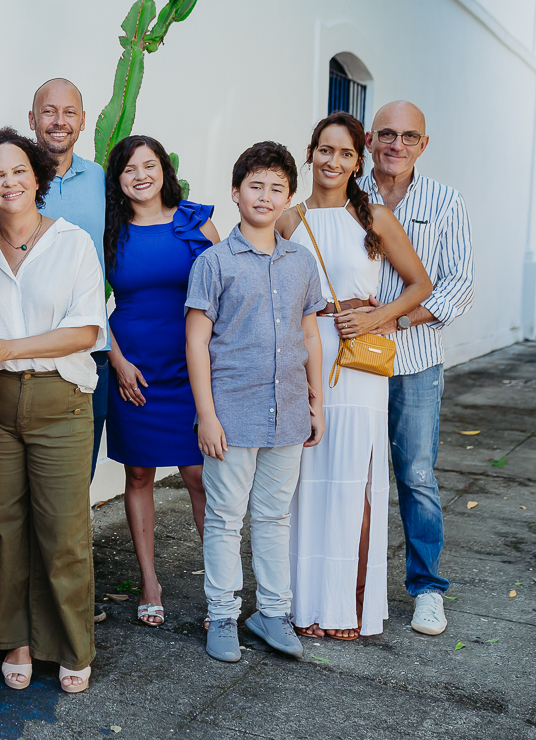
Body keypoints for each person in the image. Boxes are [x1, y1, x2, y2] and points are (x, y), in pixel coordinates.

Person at [0, 128, 107, 693]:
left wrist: (10, 349)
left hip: (59, 398)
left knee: (63, 527)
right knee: (0, 523)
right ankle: (13, 638)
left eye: (18, 171)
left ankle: (69, 643)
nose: (8, 182)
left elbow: (87, 330)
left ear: (37, 177)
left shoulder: (72, 242)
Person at [278, 112, 431, 641]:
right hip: (302, 361)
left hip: (359, 365)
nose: (333, 161)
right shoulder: (287, 219)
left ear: (357, 161)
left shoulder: (376, 218)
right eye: (325, 150)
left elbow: (420, 284)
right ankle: (305, 605)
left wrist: (378, 314)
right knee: (303, 485)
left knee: (355, 485)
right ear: (311, 153)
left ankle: (350, 606)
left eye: (345, 154)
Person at [184, 141, 326, 664]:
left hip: (288, 412)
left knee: (273, 518)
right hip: (232, 413)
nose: (266, 197)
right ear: (236, 192)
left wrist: (316, 403)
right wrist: (207, 416)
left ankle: (272, 612)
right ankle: (221, 614)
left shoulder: (301, 261)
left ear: (289, 196)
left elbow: (310, 337)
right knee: (224, 517)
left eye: (277, 188)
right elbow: (197, 341)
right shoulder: (214, 262)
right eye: (256, 186)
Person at [358, 101, 474, 636]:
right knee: (347, 473)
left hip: (415, 361)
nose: (396, 144)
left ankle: (426, 588)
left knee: (417, 475)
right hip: (348, 363)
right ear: (368, 137)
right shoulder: (343, 193)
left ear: (423, 144)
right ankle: (350, 585)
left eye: (408, 137)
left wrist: (391, 322)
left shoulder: (446, 202)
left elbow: (457, 285)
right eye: (386, 133)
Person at [103, 135, 218, 627]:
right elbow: (86, 302)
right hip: (134, 369)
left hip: (191, 366)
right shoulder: (109, 231)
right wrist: (117, 361)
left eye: (149, 165)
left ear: (164, 170)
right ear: (119, 179)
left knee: (198, 475)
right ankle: (150, 580)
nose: (140, 175)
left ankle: (221, 585)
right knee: (138, 474)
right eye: (129, 168)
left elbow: (228, 288)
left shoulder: (194, 222)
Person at [28, 78, 111, 491]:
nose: (59, 122)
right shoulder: (12, 178)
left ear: (82, 122)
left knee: (79, 482)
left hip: (90, 350)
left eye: (69, 112)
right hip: (24, 353)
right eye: (48, 111)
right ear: (32, 119)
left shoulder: (100, 180)